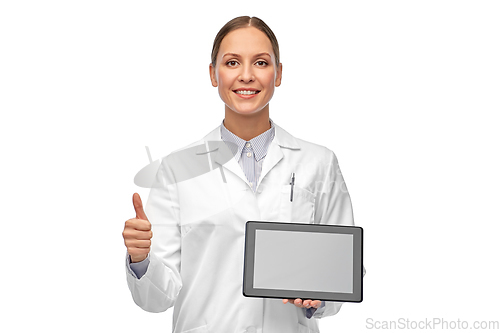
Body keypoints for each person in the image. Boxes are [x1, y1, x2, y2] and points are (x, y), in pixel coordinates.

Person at [123, 16, 363, 333]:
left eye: (261, 62)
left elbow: (343, 269)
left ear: (278, 74)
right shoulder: (177, 168)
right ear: (213, 74)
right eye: (232, 62)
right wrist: (140, 260)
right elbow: (157, 298)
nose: (246, 76)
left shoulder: (319, 163)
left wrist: (319, 296)